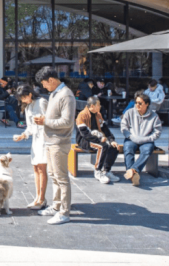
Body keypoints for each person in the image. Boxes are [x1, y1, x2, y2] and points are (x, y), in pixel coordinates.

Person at [33, 67, 76, 225]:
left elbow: (67, 122)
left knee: (62, 178)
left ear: (51, 80)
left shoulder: (66, 95)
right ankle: (57, 205)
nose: (44, 87)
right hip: (51, 141)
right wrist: (44, 119)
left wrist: (45, 121)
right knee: (53, 175)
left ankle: (64, 212)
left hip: (59, 142)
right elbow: (55, 118)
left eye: (44, 83)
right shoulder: (54, 94)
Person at [13, 85, 49, 210]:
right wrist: (23, 135)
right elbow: (30, 127)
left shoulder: (42, 102)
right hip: (36, 141)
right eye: (21, 99)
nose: (22, 100)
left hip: (45, 139)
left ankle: (42, 199)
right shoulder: (28, 107)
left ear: (29, 94)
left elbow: (50, 120)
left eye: (23, 97)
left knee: (42, 169)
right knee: (36, 168)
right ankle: (37, 197)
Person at [120, 93, 162, 187]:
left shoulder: (154, 116)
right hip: (131, 138)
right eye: (136, 102)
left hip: (146, 140)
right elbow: (123, 127)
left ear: (147, 104)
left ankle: (133, 170)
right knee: (128, 149)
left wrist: (147, 138)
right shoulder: (129, 112)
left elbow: (157, 132)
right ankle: (133, 175)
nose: (137, 105)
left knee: (147, 150)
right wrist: (130, 136)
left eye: (140, 103)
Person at [76, 97, 120, 184]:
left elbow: (105, 129)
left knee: (114, 147)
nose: (100, 106)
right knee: (102, 147)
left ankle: (106, 171)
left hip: (97, 138)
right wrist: (99, 139)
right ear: (92, 106)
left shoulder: (98, 114)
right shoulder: (82, 115)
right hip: (84, 140)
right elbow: (85, 134)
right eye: (98, 105)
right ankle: (98, 171)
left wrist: (111, 140)